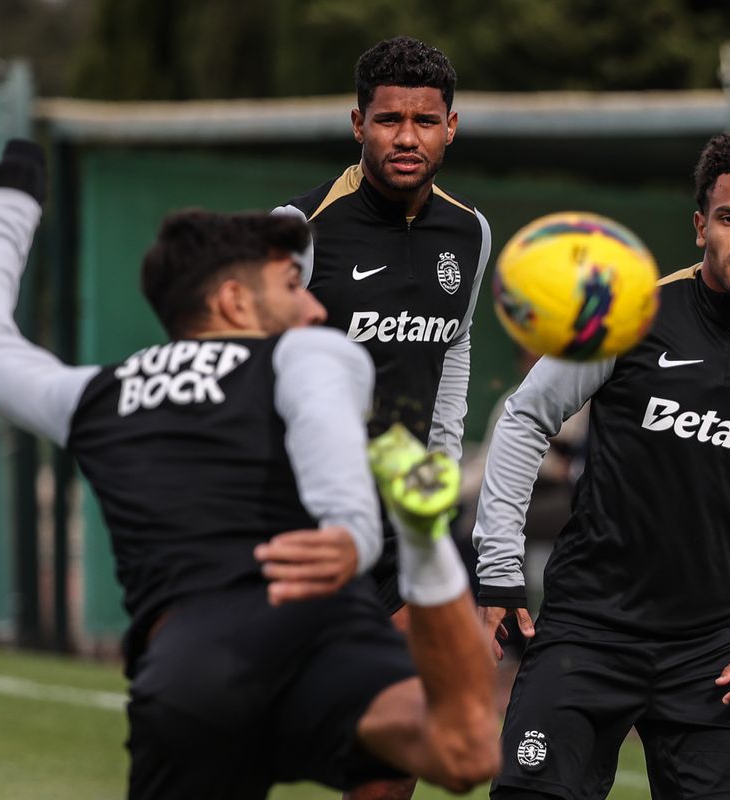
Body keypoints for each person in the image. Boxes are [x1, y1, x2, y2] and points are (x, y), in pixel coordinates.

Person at [0, 140, 498, 799]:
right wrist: (356, 527)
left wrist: (9, 200)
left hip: (192, 670)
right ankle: (424, 544)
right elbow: (321, 407)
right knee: (464, 751)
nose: (318, 308)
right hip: (321, 636)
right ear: (235, 302)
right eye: (293, 287)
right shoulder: (307, 352)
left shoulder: (95, 393)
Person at [474, 126, 730, 799]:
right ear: (699, 226)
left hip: (708, 657)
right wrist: (500, 570)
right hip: (584, 634)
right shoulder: (631, 315)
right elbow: (523, 418)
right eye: (729, 218)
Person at [274, 37, 491, 800]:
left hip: (402, 532)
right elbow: (253, 377)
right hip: (302, 528)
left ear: (451, 127)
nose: (407, 137)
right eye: (389, 119)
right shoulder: (295, 230)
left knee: (390, 764)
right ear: (357, 122)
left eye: (425, 121)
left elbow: (453, 354)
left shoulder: (470, 234)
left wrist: (438, 475)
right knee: (245, 741)